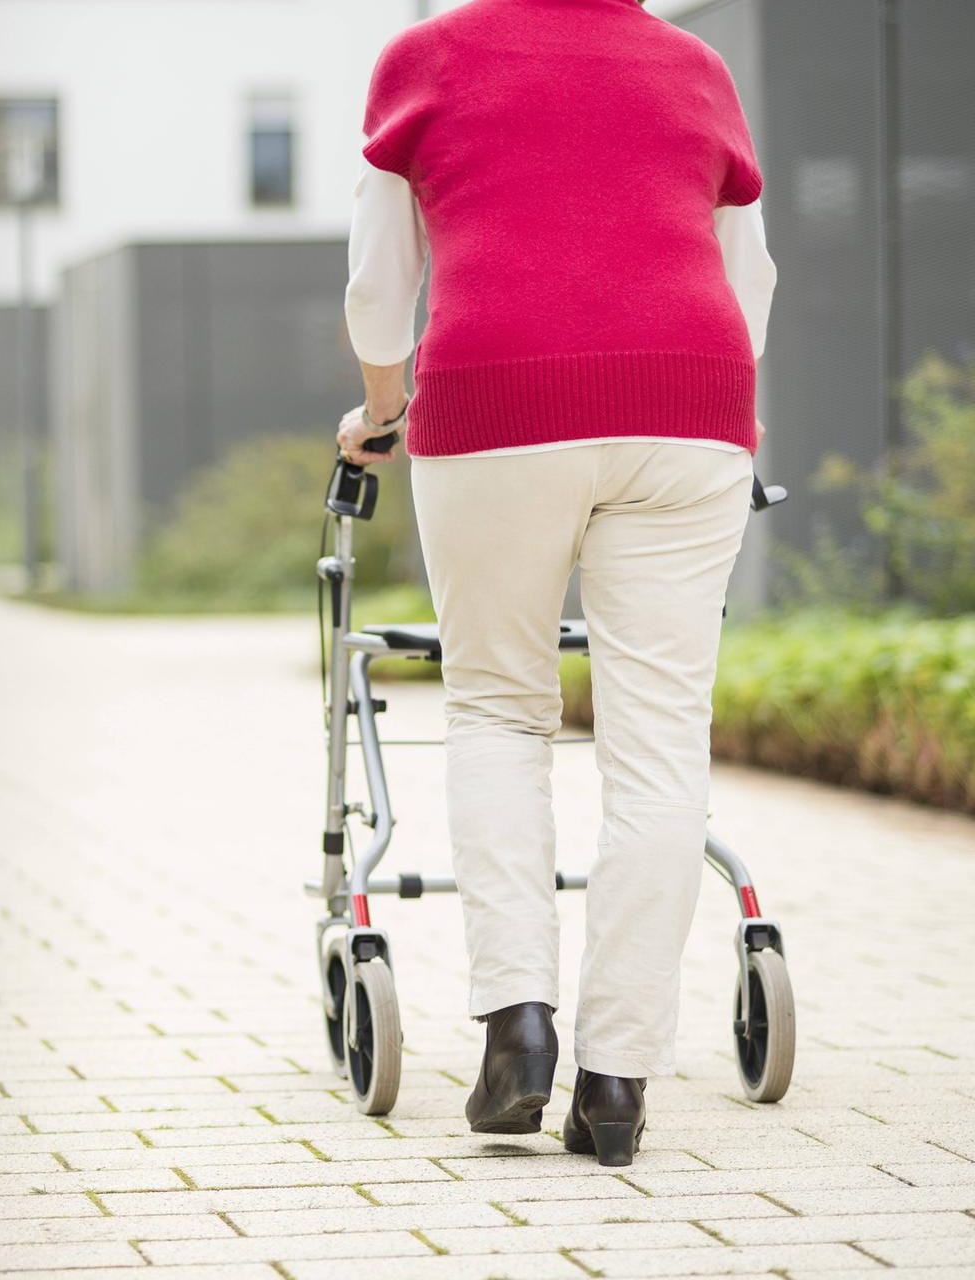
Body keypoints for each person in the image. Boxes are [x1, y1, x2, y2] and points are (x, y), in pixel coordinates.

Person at [335, 0, 778, 1168]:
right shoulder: (693, 66)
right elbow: (750, 274)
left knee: (495, 706)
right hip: (693, 408)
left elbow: (381, 289)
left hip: (496, 405)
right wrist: (722, 402)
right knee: (662, 740)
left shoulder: (424, 59)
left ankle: (517, 1032)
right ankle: (618, 1078)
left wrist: (381, 414)